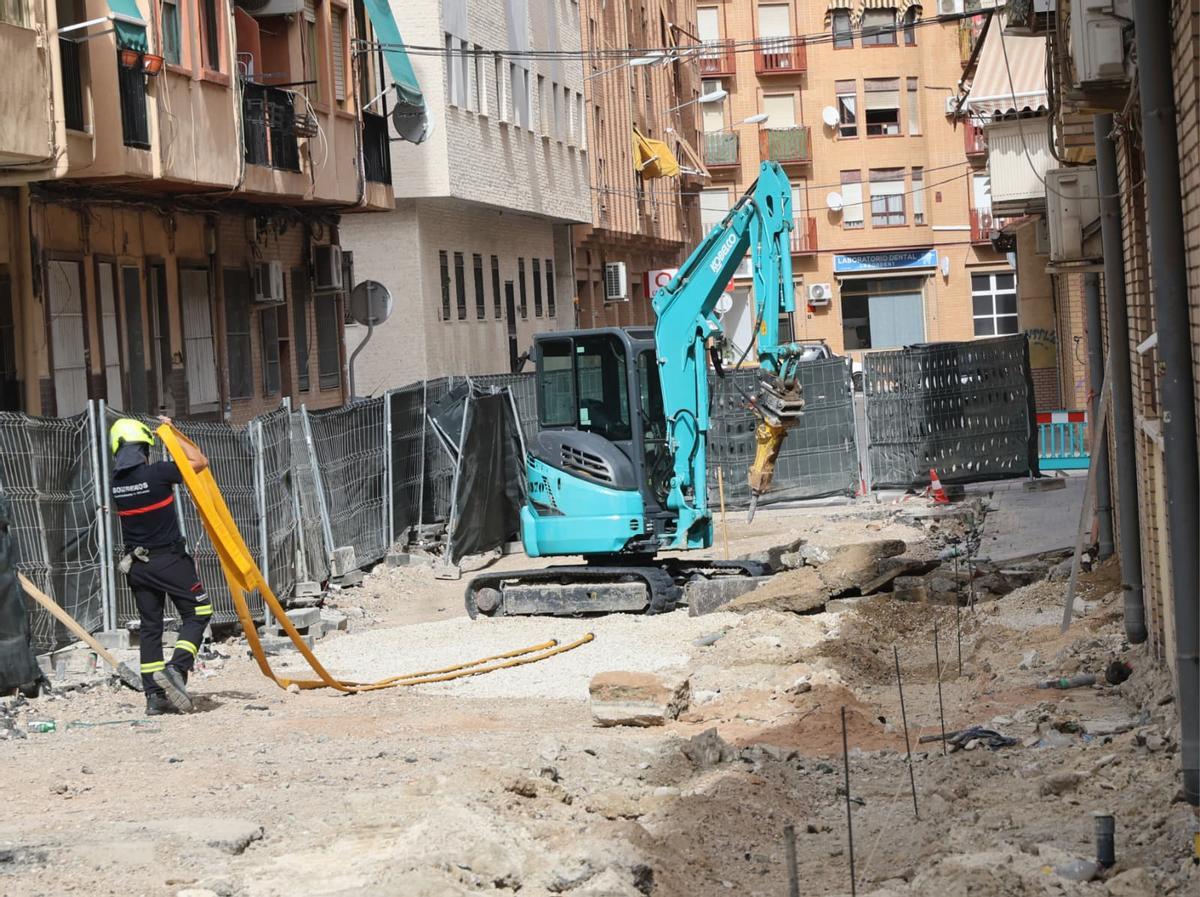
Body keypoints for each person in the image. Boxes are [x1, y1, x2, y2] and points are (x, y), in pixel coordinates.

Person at [109, 417, 209, 715]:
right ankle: (176, 668)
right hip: (168, 560)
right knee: (198, 611)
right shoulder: (159, 473)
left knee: (150, 628)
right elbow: (199, 461)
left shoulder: (116, 485)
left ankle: (154, 697)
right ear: (143, 448)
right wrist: (170, 432)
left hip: (137, 566)